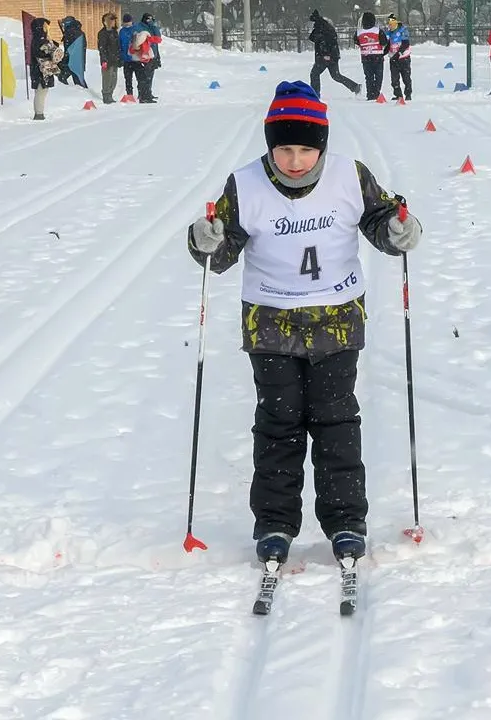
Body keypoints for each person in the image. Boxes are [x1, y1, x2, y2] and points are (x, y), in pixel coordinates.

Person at [184, 80, 423, 566]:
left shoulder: (350, 176)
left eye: (306, 150)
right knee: (278, 425)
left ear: (322, 147)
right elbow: (221, 247)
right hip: (270, 325)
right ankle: (274, 522)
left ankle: (345, 520)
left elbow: (382, 218)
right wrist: (205, 240)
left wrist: (399, 229)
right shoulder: (245, 184)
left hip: (337, 322)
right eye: (285, 149)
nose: (295, 160)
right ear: (270, 146)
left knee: (336, 423)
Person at [307, 9, 360, 97]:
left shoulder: (323, 29)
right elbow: (313, 38)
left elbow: (326, 42)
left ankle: (315, 94)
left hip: (325, 57)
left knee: (314, 73)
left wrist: (326, 55)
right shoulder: (323, 27)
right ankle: (355, 87)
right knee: (336, 76)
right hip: (332, 56)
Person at [352, 12, 388, 101]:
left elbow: (356, 41)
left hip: (365, 57)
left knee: (369, 76)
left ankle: (370, 94)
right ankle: (376, 93)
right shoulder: (378, 31)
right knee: (379, 76)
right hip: (377, 56)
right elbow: (384, 42)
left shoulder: (359, 32)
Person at [384, 13, 412, 101]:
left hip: (404, 58)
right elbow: (388, 45)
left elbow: (405, 43)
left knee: (406, 78)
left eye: (391, 24)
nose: (390, 26)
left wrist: (398, 54)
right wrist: (382, 54)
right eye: (388, 24)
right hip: (393, 59)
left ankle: (408, 94)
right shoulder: (389, 33)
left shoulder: (403, 30)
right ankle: (398, 95)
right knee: (394, 79)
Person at [98, 12, 121, 104]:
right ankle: (106, 95)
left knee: (114, 79)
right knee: (107, 78)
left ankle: (110, 94)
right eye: (110, 20)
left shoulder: (115, 32)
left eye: (113, 20)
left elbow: (117, 46)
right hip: (107, 59)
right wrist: (104, 60)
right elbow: (102, 47)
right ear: (105, 22)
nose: (112, 22)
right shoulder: (103, 33)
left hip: (115, 58)